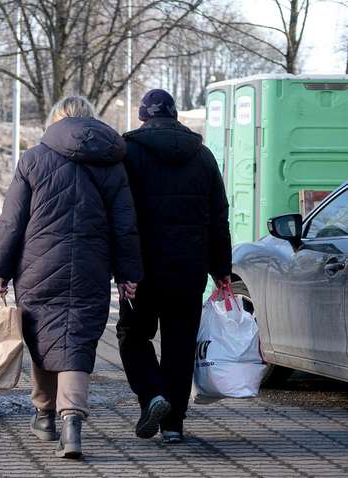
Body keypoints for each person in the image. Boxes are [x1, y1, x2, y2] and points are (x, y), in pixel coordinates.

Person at [0, 96, 142, 459]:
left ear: (56, 120)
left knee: (43, 336)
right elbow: (125, 225)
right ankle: (71, 421)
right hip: (91, 266)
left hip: (38, 266)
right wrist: (128, 274)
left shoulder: (33, 158)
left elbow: (12, 221)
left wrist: (0, 270)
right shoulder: (112, 162)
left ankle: (44, 413)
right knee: (78, 341)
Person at [116, 89, 232, 444]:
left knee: (132, 335)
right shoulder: (203, 156)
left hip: (141, 271)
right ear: (175, 114)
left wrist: (122, 268)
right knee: (180, 344)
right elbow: (218, 218)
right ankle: (174, 425)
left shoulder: (127, 154)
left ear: (143, 116)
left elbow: (120, 216)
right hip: (188, 269)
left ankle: (153, 395)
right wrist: (221, 269)